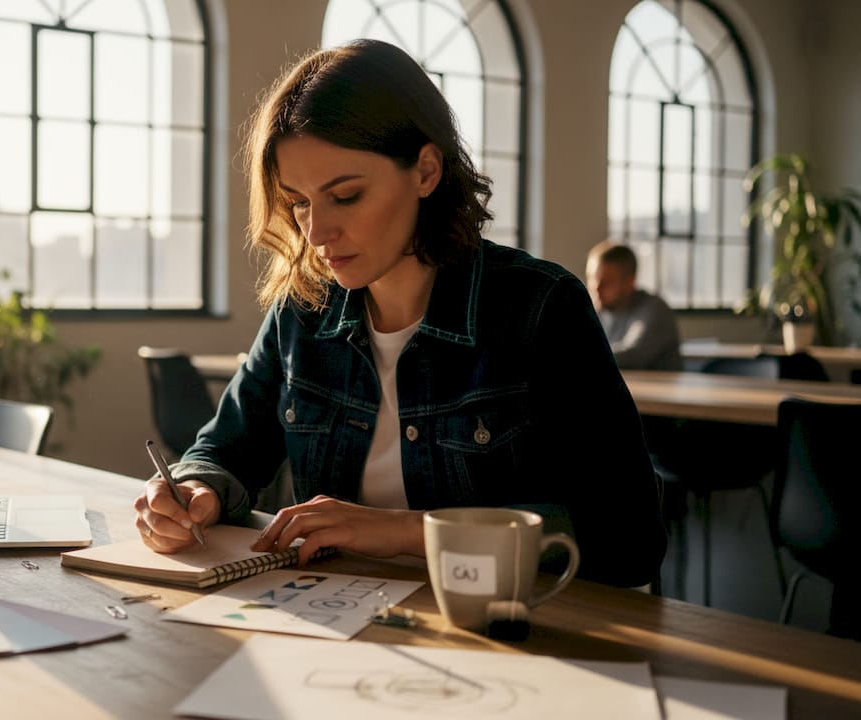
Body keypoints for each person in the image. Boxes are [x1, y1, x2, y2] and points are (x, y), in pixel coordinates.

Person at [132, 39, 666, 589]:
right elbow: (223, 451)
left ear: (426, 171)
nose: (316, 233)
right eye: (299, 201)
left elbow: (628, 537)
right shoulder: (303, 308)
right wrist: (193, 491)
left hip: (502, 635)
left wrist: (404, 531)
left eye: (346, 195)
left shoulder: (540, 308)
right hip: (336, 624)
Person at [585, 240, 683, 371]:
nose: (595, 288)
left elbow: (633, 356)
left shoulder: (654, 310)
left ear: (629, 282)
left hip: (656, 389)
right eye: (591, 278)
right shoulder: (599, 310)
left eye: (606, 282)